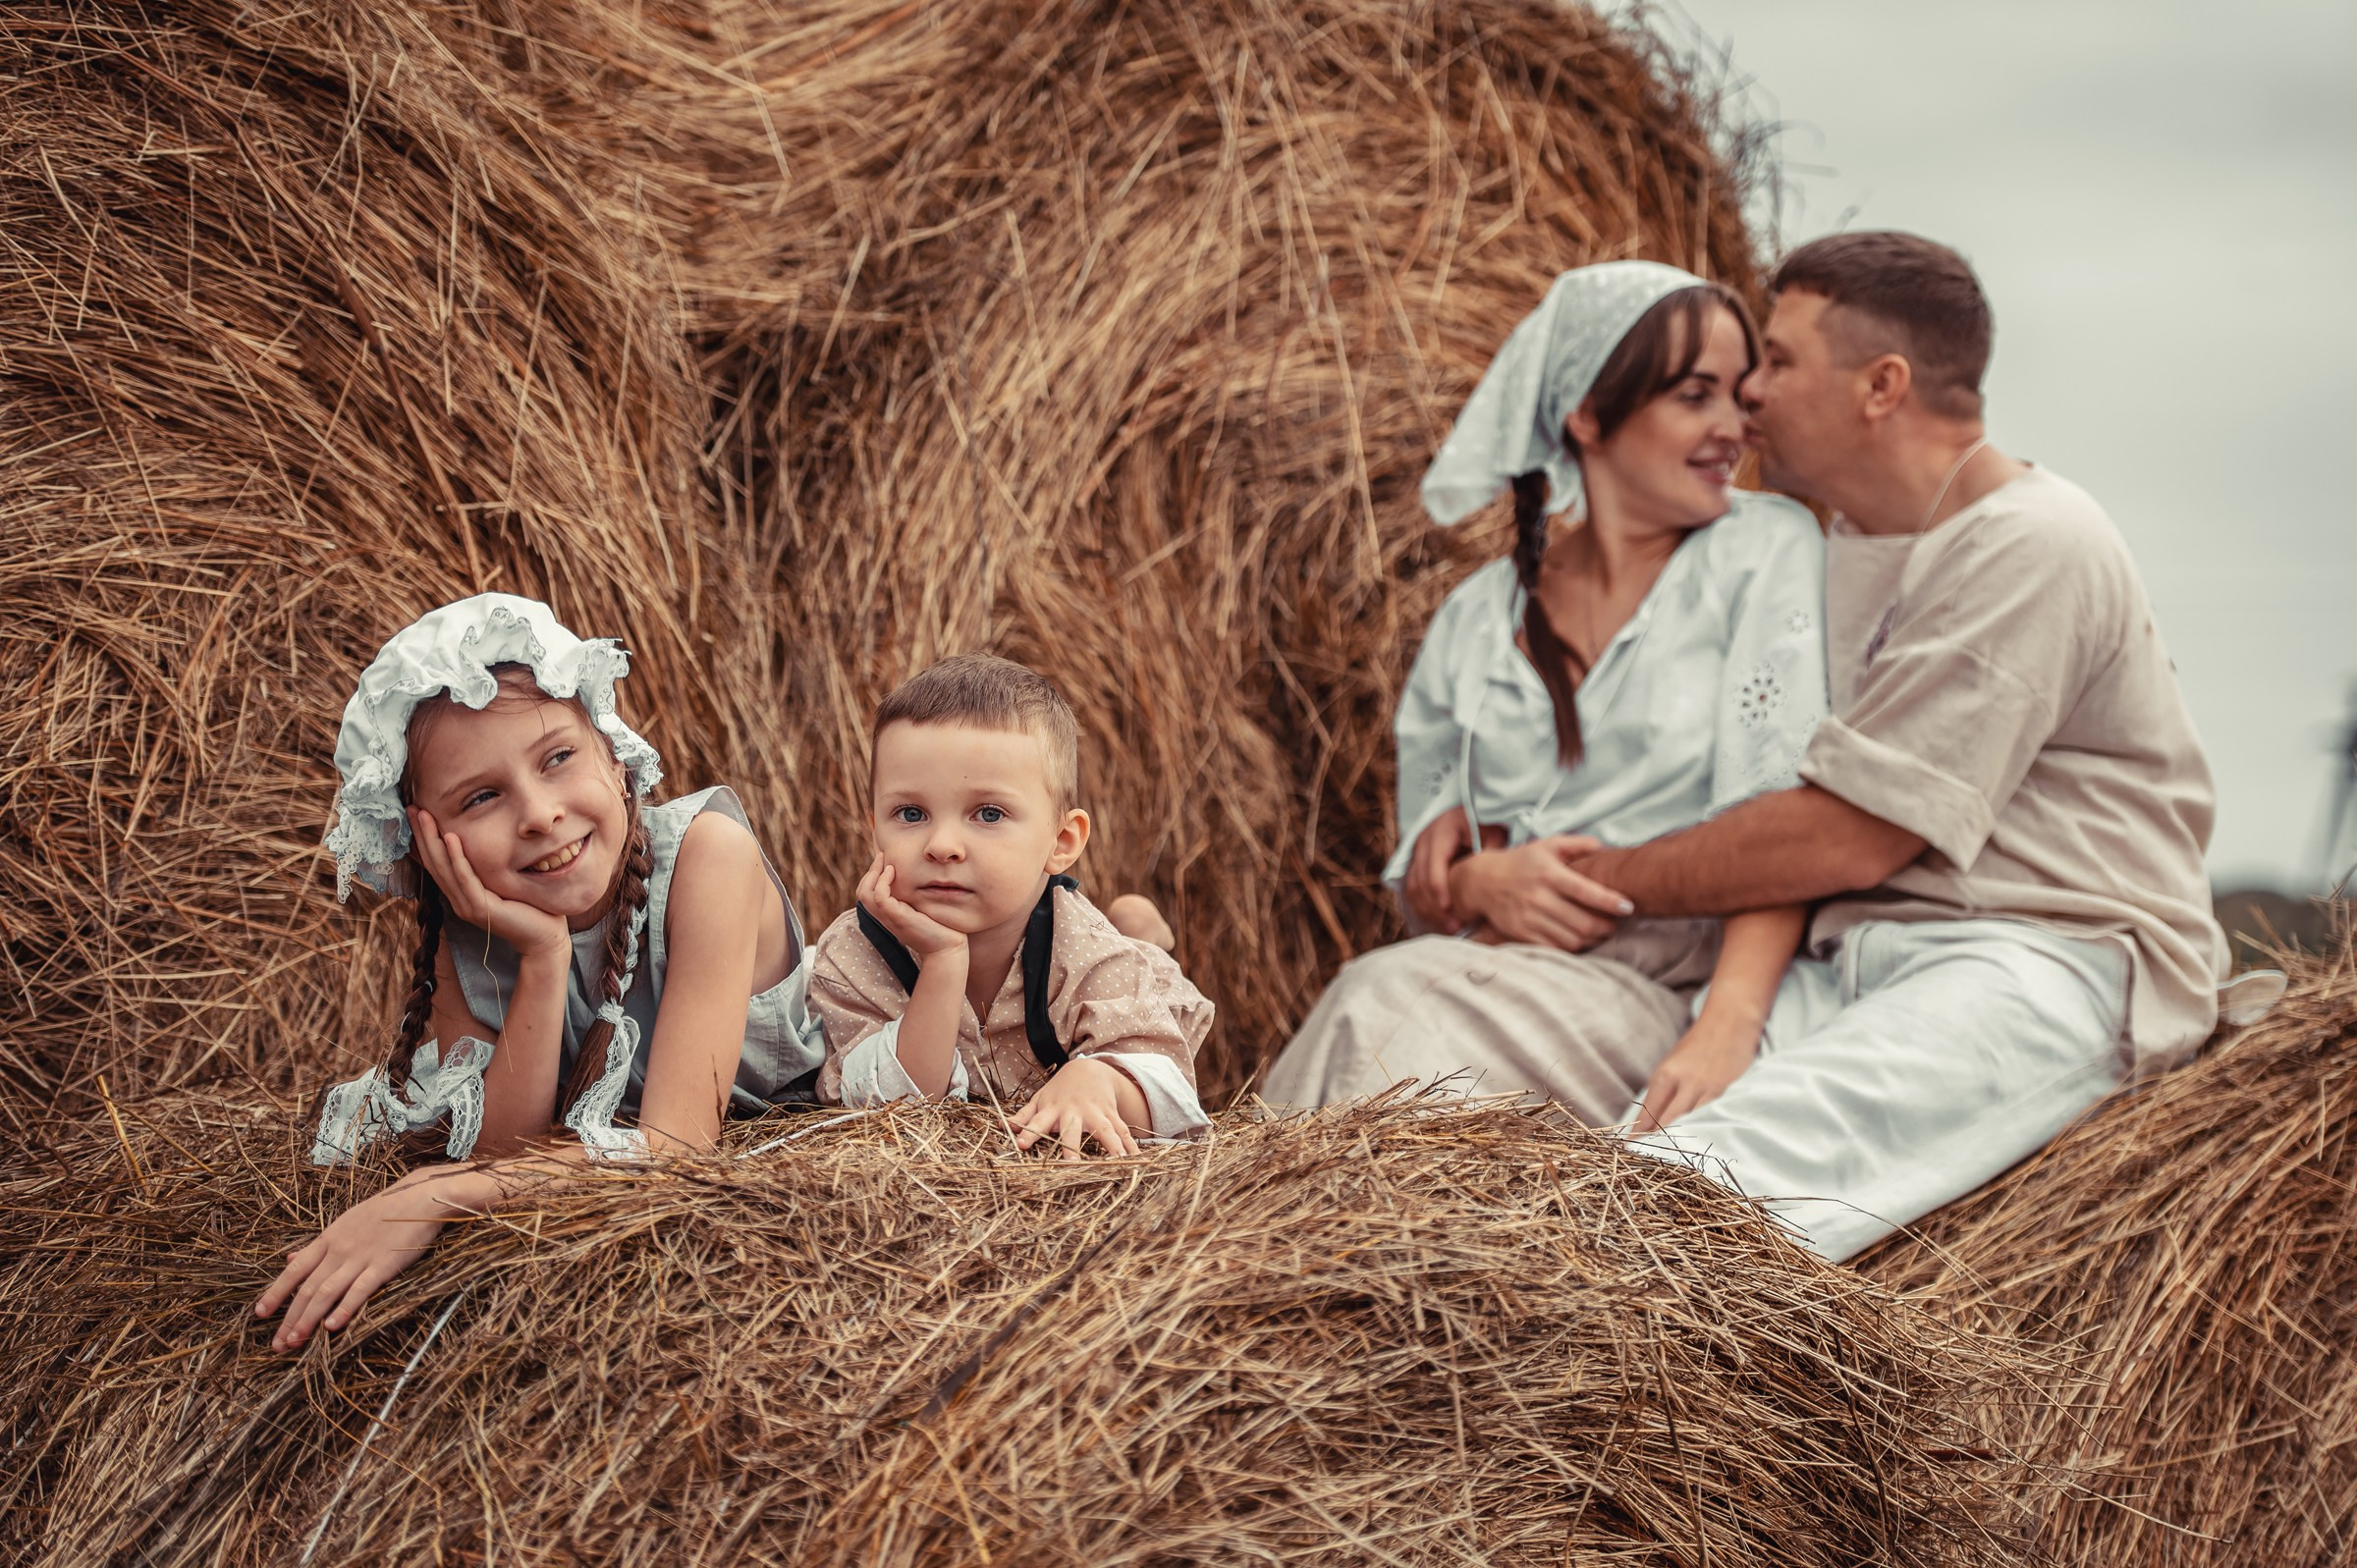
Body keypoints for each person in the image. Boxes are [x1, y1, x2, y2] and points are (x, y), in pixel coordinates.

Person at [1515, 232, 2235, 1262]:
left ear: (1882, 386)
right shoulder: (1827, 542)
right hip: (1849, 951)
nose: (1746, 391)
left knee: (1672, 1207)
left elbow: (1847, 836)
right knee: (1619, 1159)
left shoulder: (2036, 541)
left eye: (1778, 360)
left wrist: (1597, 880)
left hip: (2040, 954)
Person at [1258, 260, 1830, 1125]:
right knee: (1381, 1001)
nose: (1732, 429)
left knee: (1383, 1008)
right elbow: (1427, 872)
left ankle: (1266, 1241)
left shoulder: (1766, 550)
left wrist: (1726, 1023)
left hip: (1671, 988)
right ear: (1589, 414)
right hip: (1501, 975)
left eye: (1737, 396)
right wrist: (1481, 882)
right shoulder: (1477, 619)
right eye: (1694, 396)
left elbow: (1778, 813)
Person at [255, 593, 826, 1349]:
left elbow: (678, 1146)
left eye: (558, 758)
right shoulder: (472, 935)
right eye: (483, 796)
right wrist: (543, 956)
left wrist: (438, 1194)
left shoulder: (707, 855)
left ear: (615, 758)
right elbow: (503, 1152)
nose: (539, 813)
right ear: (427, 844)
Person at [809, 653, 1213, 1157]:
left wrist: (1098, 1078)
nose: (943, 845)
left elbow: (1169, 1087)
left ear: (1061, 842)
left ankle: (1142, 936)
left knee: (1140, 976)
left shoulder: (1084, 952)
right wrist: (941, 964)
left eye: (989, 813)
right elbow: (884, 1111)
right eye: (910, 813)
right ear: (874, 828)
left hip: (1106, 967)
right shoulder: (852, 958)